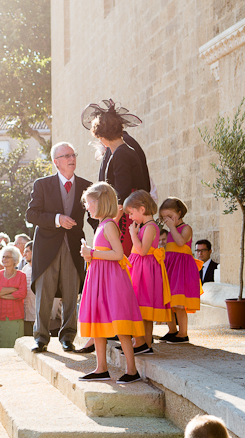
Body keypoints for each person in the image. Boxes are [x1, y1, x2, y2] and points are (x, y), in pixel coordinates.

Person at [25, 142, 94, 354]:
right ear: (56, 162)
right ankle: (41, 338)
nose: (71, 158)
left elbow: (95, 217)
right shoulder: (42, 185)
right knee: (44, 293)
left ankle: (68, 337)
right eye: (66, 156)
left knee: (71, 293)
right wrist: (57, 219)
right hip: (47, 248)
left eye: (73, 154)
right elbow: (32, 215)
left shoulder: (86, 185)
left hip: (74, 247)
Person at [78, 182, 145, 384]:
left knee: (120, 323)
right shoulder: (101, 225)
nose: (87, 206)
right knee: (99, 322)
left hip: (111, 280)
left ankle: (132, 370)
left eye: (89, 202)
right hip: (100, 278)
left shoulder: (108, 225)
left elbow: (118, 254)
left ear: (100, 201)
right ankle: (101, 368)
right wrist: (90, 255)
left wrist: (92, 253)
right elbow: (105, 253)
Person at [85, 100, 151, 257]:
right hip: (129, 214)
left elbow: (122, 194)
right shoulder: (124, 151)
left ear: (102, 136)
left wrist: (111, 225)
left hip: (125, 219)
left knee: (123, 261)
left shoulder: (121, 154)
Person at [124, 190, 171, 354]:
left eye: (131, 212)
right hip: (140, 268)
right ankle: (144, 343)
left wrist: (132, 235)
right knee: (142, 307)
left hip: (145, 271)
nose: (130, 217)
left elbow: (143, 250)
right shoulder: (146, 226)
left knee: (141, 305)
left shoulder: (150, 227)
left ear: (142, 209)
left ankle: (143, 342)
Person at [159, 198, 202, 344]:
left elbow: (180, 242)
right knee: (168, 300)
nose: (168, 220)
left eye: (171, 217)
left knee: (178, 302)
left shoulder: (186, 228)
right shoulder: (170, 230)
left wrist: (171, 227)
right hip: (170, 266)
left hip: (182, 269)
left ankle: (183, 333)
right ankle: (172, 330)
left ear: (179, 212)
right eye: (165, 218)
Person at [0, 245, 28, 348]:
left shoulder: (21, 275)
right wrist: (13, 290)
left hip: (16, 316)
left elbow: (22, 294)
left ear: (14, 259)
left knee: (15, 346)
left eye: (7, 257)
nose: (4, 259)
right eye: (3, 257)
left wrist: (1, 293)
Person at [20, 242, 37, 336]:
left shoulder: (41, 268)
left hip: (37, 314)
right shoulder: (24, 268)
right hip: (26, 313)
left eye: (27, 251)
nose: (24, 254)